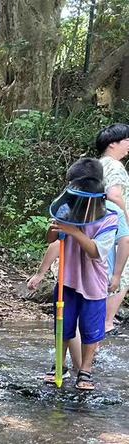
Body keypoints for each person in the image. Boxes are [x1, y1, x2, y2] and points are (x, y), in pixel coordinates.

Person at [26, 159, 118, 391]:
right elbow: (51, 240)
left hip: (93, 283)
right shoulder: (67, 208)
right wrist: (56, 226)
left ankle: (85, 370)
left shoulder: (109, 217)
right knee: (63, 326)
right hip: (67, 280)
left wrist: (74, 231)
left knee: (90, 330)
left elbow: (97, 252)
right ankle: (59, 365)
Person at [96, 123, 129, 333]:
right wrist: (127, 220)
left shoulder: (98, 164)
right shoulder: (115, 166)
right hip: (117, 227)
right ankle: (106, 323)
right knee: (122, 274)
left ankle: (99, 324)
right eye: (126, 141)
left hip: (101, 226)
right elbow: (115, 195)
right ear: (112, 144)